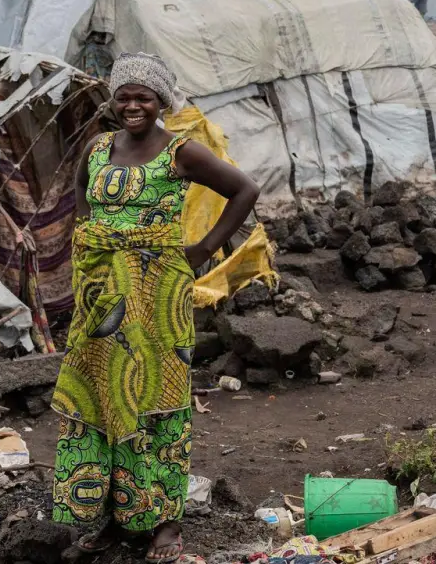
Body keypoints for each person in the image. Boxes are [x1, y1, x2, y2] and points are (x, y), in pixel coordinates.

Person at [52, 53, 260, 563]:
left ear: (162, 101)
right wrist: (89, 234)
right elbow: (80, 191)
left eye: (143, 96)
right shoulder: (100, 147)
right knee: (100, 397)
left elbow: (244, 189)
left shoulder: (180, 153)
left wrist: (202, 250)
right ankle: (111, 516)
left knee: (154, 398)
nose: (132, 105)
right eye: (124, 95)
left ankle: (163, 524)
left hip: (156, 295)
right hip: (100, 295)